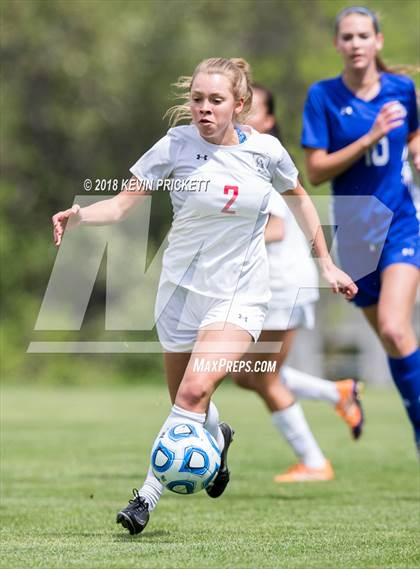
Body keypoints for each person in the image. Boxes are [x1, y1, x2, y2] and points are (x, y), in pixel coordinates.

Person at [52, 58, 357, 535]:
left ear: (239, 105)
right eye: (197, 99)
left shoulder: (267, 152)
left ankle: (144, 497)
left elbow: (300, 200)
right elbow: (122, 202)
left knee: (194, 391)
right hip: (178, 293)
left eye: (215, 100)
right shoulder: (174, 146)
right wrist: (81, 215)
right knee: (187, 401)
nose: (204, 108)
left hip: (239, 296)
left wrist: (326, 262)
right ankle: (219, 436)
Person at [232, 84, 364, 484]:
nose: (242, 113)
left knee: (263, 376)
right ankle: (337, 394)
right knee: (243, 373)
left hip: (282, 283)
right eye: (240, 105)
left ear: (269, 120)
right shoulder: (240, 159)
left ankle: (313, 461)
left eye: (252, 108)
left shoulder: (263, 158)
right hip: (271, 283)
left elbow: (273, 227)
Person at [301, 7, 420, 452]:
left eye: (363, 35)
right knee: (393, 341)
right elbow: (314, 171)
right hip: (353, 239)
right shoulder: (323, 96)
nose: (355, 43)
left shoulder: (401, 89)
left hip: (401, 226)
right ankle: (416, 417)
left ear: (379, 42)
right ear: (337, 44)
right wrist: (368, 139)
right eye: (347, 36)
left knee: (394, 327)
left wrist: (415, 150)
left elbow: (413, 134)